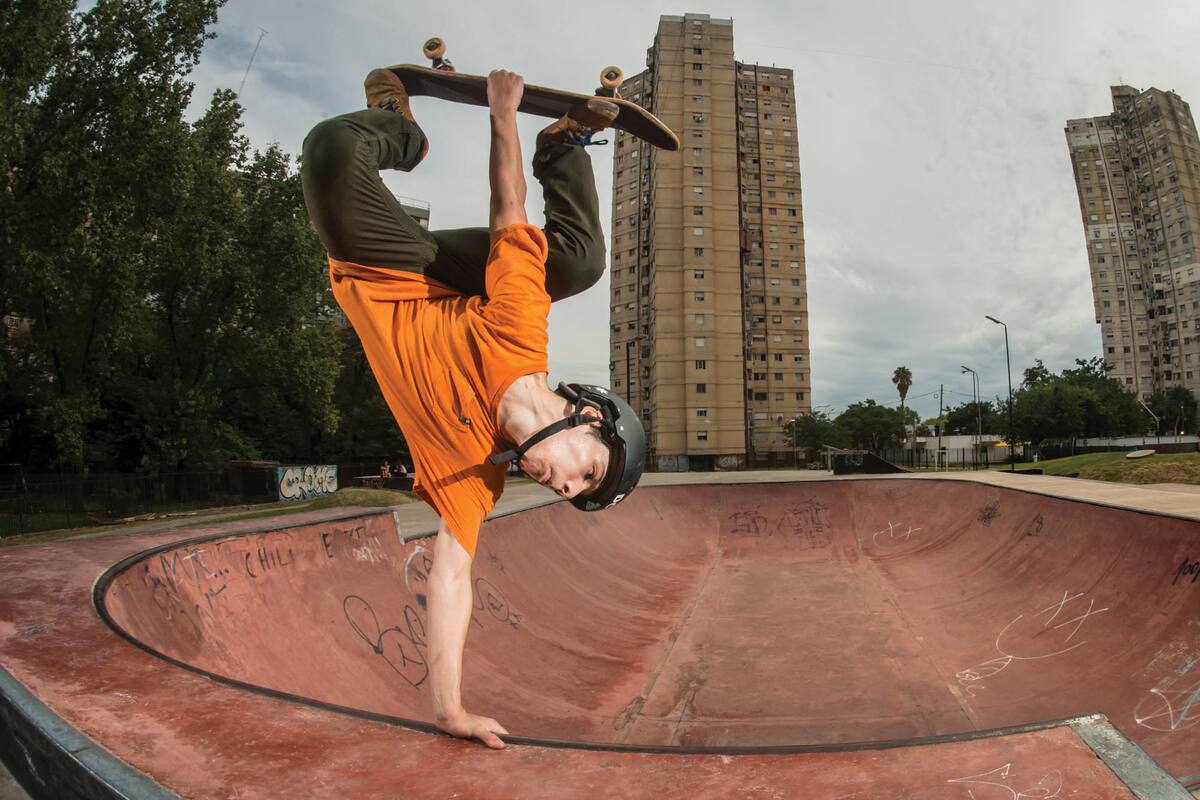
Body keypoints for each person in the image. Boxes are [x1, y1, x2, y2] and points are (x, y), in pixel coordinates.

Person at [301, 67, 645, 749]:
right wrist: (502, 115)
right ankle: (526, 143)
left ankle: (389, 129)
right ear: (587, 420)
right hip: (464, 276)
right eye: (585, 474)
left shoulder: (472, 478)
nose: (562, 485)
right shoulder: (522, 332)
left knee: (331, 151)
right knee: (574, 265)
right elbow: (507, 210)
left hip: (388, 268)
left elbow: (452, 577)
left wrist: (450, 711)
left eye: (575, 494)